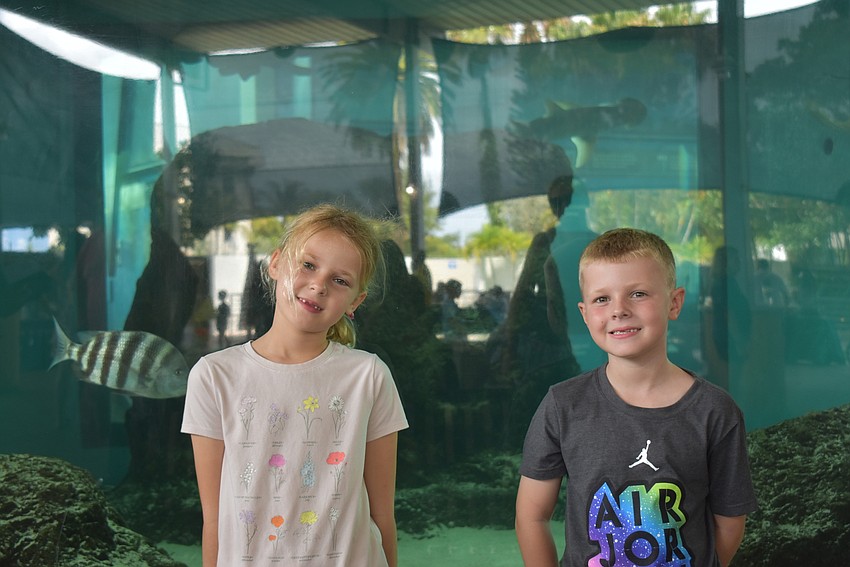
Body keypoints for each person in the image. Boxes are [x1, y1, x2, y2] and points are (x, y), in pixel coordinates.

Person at [182, 204, 409, 567]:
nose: (319, 284)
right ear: (275, 263)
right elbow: (214, 519)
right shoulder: (213, 376)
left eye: (341, 280)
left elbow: (383, 516)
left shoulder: (369, 376)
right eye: (308, 264)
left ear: (356, 301)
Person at [516, 228, 756, 567]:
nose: (619, 310)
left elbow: (730, 521)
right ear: (585, 314)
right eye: (602, 299)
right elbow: (531, 516)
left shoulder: (716, 412)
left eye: (638, 294)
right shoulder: (562, 406)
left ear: (674, 302)